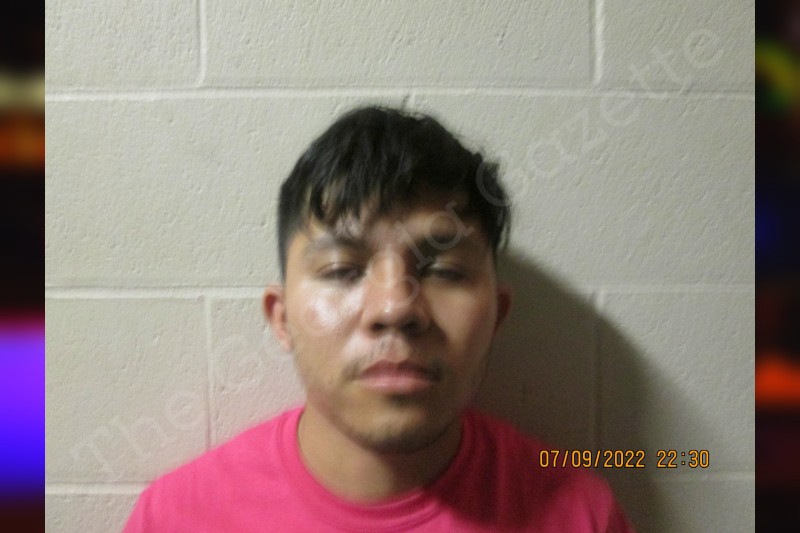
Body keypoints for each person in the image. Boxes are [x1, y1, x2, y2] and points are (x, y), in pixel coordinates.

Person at [123, 106, 635, 532]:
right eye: (343, 270)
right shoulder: (176, 519)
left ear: (496, 318)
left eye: (444, 270)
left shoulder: (581, 515)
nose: (395, 309)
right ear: (281, 319)